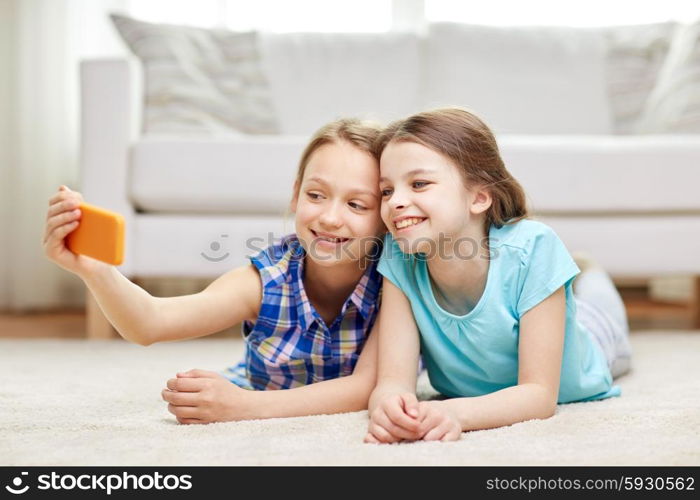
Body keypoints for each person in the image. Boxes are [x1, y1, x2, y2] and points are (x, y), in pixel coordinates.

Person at [43, 118, 387, 424]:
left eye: (356, 204)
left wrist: (245, 406)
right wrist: (96, 272)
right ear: (296, 195)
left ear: (386, 216)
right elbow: (149, 322)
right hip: (254, 385)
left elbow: (366, 388)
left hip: (253, 399)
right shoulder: (265, 281)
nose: (329, 217)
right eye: (316, 195)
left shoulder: (395, 284)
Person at [365, 108, 632, 443]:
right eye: (387, 190)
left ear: (479, 197)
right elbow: (392, 380)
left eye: (419, 183)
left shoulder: (535, 247)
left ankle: (586, 270)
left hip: (593, 341)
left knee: (600, 305)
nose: (396, 202)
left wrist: (456, 413)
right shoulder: (398, 257)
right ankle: (573, 274)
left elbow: (538, 395)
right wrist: (390, 407)